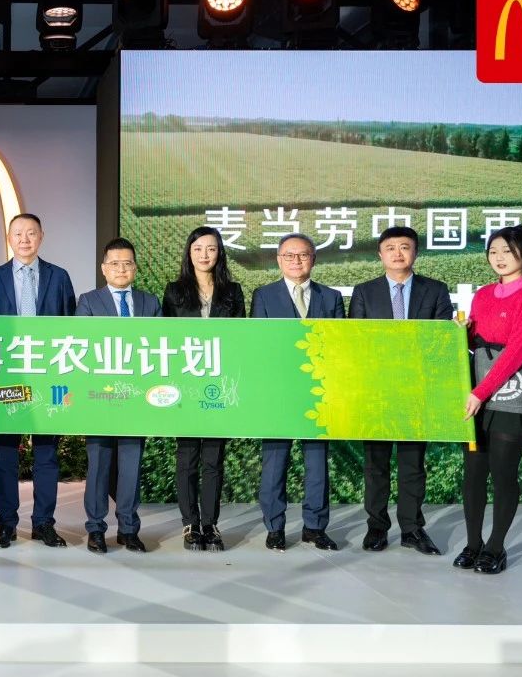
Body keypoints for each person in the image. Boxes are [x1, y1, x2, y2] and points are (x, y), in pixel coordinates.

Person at [349, 226, 453, 555]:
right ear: (380, 254)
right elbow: (357, 345)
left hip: (416, 391)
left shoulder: (435, 290)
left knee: (412, 464)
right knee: (375, 465)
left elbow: (440, 342)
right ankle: (376, 527)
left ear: (415, 252)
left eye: (405, 247)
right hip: (377, 392)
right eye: (390, 247)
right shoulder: (364, 292)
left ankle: (412, 529)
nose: (398, 253)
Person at [0, 213, 76, 549]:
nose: (24, 239)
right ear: (9, 237)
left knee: (47, 455)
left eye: (31, 233)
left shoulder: (59, 277)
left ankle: (44, 523)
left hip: (48, 379)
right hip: (8, 378)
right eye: (18, 233)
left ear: (41, 237)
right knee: (5, 454)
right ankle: (6, 525)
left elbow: (70, 330)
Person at [455, 225, 522, 575]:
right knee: (474, 472)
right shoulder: (483, 294)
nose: (499, 257)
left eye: (507, 250)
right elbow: (476, 341)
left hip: (511, 387)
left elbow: (517, 351)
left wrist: (481, 392)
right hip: (477, 383)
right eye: (493, 251)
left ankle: (495, 547)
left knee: (503, 473)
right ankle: (472, 544)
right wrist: (463, 333)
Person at [250, 233, 345, 552]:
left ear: (313, 259)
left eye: (303, 255)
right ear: (278, 260)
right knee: (274, 463)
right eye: (289, 255)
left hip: (318, 393)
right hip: (279, 393)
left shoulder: (331, 297)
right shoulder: (264, 296)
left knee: (317, 464)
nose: (296, 261)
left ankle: (315, 527)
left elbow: (338, 346)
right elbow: (259, 345)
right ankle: (274, 527)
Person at [162, 226, 245, 551]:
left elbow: (240, 340)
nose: (204, 254)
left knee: (213, 458)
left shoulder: (233, 292)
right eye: (198, 249)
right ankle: (190, 524)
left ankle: (210, 524)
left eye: (211, 248)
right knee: (187, 457)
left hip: (219, 386)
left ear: (219, 253)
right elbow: (166, 341)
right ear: (189, 253)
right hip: (186, 384)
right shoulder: (174, 292)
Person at [77, 238, 159, 554]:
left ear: (135, 268)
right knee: (98, 466)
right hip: (99, 396)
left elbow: (159, 347)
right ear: (103, 268)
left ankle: (128, 529)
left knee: (130, 466)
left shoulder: (150, 303)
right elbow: (82, 347)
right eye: (115, 263)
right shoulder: (88, 301)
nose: (121, 269)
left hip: (136, 398)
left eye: (127, 263)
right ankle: (96, 529)